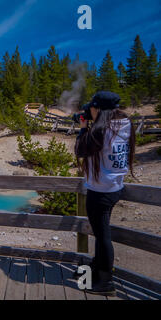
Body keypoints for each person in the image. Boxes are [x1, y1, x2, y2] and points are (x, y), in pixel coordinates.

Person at [74, 91, 136, 296]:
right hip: (114, 186)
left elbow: (81, 150)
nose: (89, 111)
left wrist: (83, 128)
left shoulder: (101, 130)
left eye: (91, 108)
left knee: (102, 237)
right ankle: (94, 270)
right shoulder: (124, 125)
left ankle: (106, 281)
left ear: (98, 109)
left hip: (100, 189)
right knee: (101, 234)